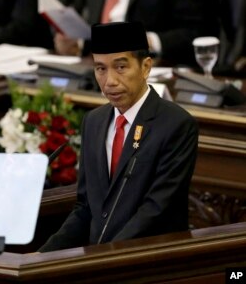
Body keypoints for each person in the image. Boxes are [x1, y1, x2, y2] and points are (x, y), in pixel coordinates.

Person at [39, 21, 198, 252]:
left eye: (121, 67)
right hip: (99, 258)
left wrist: (105, 256)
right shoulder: (93, 122)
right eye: (100, 68)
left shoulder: (176, 125)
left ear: (146, 67)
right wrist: (42, 256)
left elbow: (155, 209)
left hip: (150, 258)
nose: (110, 81)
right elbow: (85, 207)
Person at [54, 0, 220, 67]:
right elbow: (107, 36)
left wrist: (147, 41)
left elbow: (197, 33)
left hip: (154, 72)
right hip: (97, 73)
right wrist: (78, 44)